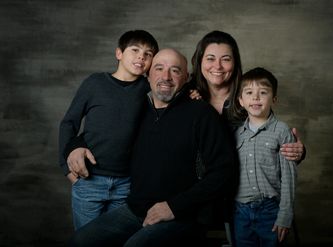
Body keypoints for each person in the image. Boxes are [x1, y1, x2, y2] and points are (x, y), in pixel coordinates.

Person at [67, 48, 236, 247]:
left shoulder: (201, 114)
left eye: (175, 70)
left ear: (186, 78)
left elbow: (224, 171)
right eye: (159, 68)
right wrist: (76, 145)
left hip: (182, 214)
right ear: (148, 75)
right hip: (134, 209)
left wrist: (173, 207)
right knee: (80, 242)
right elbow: (104, 134)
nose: (166, 77)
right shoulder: (137, 109)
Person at [58, 30, 159, 230]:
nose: (141, 56)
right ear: (119, 53)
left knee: (117, 238)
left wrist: (192, 92)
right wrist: (66, 167)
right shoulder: (95, 83)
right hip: (90, 179)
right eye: (135, 50)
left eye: (148, 54)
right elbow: (69, 123)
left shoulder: (149, 90)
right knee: (88, 240)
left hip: (126, 184)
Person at [191, 30, 305, 160]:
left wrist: (296, 151)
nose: (218, 66)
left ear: (235, 63)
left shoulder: (249, 97)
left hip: (243, 179)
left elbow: (271, 140)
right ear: (200, 61)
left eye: (226, 59)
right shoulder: (188, 97)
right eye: (210, 59)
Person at [229, 67, 297, 246]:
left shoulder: (282, 131)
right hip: (240, 211)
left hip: (270, 210)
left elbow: (289, 177)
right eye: (249, 92)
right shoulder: (236, 135)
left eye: (263, 92)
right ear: (241, 101)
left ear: (274, 99)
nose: (256, 97)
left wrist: (285, 214)